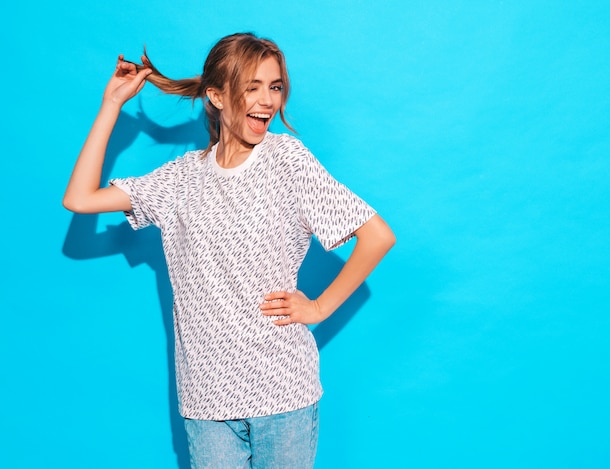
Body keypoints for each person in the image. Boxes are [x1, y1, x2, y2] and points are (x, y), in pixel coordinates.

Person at [63, 32, 395, 469]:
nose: (267, 101)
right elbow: (80, 199)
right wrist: (111, 107)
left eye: (274, 87)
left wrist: (317, 308)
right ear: (217, 96)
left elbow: (377, 236)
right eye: (251, 87)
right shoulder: (180, 179)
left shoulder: (287, 160)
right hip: (207, 401)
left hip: (283, 393)